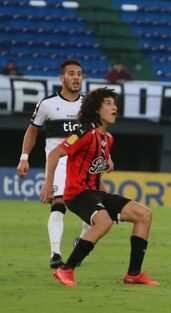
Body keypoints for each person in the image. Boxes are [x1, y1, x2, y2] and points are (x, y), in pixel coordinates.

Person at [40, 88, 158, 287]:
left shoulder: (108, 139)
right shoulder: (81, 132)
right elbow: (54, 154)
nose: (114, 108)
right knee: (103, 223)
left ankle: (133, 274)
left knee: (144, 214)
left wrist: (103, 179)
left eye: (115, 104)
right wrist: (48, 184)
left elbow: (92, 170)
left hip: (95, 193)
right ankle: (65, 269)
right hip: (77, 194)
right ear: (96, 110)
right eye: (109, 104)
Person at [16, 59, 113, 268]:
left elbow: (100, 133)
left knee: (96, 206)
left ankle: (81, 240)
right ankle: (55, 254)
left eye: (79, 73)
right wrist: (24, 157)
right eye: (71, 74)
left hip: (84, 164)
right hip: (59, 162)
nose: (76, 77)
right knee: (58, 205)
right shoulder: (47, 104)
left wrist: (108, 157)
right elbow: (32, 130)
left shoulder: (89, 105)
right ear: (62, 78)